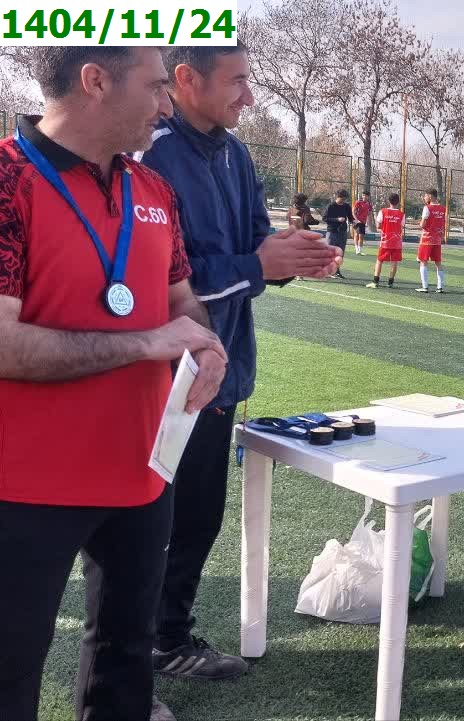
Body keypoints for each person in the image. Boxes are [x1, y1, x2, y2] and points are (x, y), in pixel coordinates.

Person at [0, 46, 230, 721]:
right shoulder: (8, 178)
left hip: (141, 471)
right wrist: (147, 343)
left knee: (126, 662)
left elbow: (181, 299)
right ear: (95, 81)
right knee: (9, 668)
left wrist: (206, 343)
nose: (167, 106)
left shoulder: (151, 188)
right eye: (156, 87)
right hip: (23, 484)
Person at [138, 43, 339, 689]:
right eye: (239, 81)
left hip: (220, 371)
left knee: (199, 517)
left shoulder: (237, 153)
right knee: (142, 524)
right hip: (158, 377)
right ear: (186, 79)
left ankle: (167, 638)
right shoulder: (149, 153)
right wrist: (257, 266)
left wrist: (291, 255)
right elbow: (162, 279)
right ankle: (132, 660)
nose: (250, 97)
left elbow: (255, 245)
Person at [367, 193, 405, 288]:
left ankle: (375, 282)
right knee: (394, 261)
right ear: (398, 202)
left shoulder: (383, 211)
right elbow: (401, 226)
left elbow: (378, 225)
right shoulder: (401, 214)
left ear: (389, 201)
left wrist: (385, 226)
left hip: (385, 241)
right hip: (397, 242)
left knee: (380, 260)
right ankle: (390, 283)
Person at [416, 188, 447, 293]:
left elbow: (423, 224)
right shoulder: (443, 208)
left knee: (423, 261)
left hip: (427, 239)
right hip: (437, 239)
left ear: (430, 196)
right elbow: (443, 223)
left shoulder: (427, 208)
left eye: (425, 196)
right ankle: (440, 287)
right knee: (438, 263)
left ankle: (425, 287)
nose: (424, 198)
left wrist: (420, 223)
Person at [323, 188, 352, 279]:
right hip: (332, 232)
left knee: (340, 253)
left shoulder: (346, 206)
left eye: (345, 199)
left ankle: (336, 271)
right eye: (342, 198)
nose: (344, 200)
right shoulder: (331, 206)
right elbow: (325, 218)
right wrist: (337, 219)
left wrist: (355, 221)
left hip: (342, 232)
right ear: (338, 197)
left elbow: (350, 217)